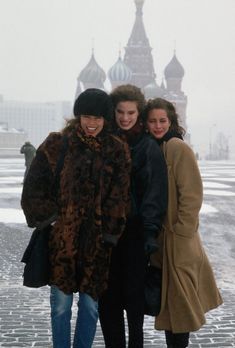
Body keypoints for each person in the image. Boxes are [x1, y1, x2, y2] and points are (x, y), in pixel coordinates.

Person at [21, 88, 131, 348]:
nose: (91, 124)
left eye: (98, 118)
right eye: (87, 116)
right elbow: (33, 188)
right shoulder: (57, 144)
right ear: (78, 116)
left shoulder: (116, 150)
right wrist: (53, 220)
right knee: (61, 307)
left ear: (106, 119)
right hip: (63, 242)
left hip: (97, 246)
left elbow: (120, 198)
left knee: (91, 309)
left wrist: (108, 234)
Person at [144, 97, 223, 348]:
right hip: (160, 243)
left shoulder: (177, 147)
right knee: (170, 307)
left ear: (172, 121)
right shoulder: (152, 148)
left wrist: (181, 233)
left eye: (162, 120)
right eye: (153, 121)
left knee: (181, 307)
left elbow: (191, 196)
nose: (158, 126)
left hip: (177, 244)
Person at [98, 85, 168, 348]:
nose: (125, 118)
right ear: (113, 112)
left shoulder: (147, 146)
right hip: (106, 233)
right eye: (120, 112)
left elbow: (155, 193)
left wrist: (150, 232)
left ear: (139, 114)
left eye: (131, 112)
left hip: (136, 232)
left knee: (134, 302)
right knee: (108, 299)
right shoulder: (105, 142)